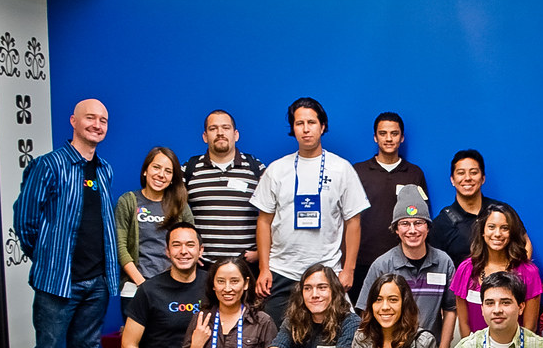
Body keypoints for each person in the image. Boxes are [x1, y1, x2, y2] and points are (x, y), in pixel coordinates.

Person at [14, 99, 118, 348]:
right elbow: (25, 221)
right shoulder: (49, 165)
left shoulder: (103, 169)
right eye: (90, 118)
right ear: (73, 121)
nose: (97, 124)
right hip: (58, 283)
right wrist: (49, 259)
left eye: (103, 120)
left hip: (96, 281)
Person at [250, 97, 370, 325]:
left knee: (334, 339)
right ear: (293, 129)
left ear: (322, 126)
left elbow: (353, 221)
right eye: (299, 123)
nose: (306, 129)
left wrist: (349, 270)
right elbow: (263, 221)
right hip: (281, 271)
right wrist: (264, 268)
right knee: (275, 338)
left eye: (311, 122)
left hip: (327, 271)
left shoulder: (341, 168)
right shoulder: (277, 169)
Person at [113, 147, 194, 348]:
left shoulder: (178, 203)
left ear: (174, 177)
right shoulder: (129, 201)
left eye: (168, 171)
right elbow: (119, 245)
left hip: (173, 289)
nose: (161, 174)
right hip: (136, 287)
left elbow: (190, 240)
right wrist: (143, 283)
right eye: (156, 168)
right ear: (146, 169)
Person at [356, 185, 456, 348]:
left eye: (418, 223)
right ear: (396, 229)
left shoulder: (443, 262)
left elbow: (451, 309)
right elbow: (366, 312)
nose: (412, 230)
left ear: (428, 227)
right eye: (405, 224)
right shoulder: (382, 265)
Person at [352, 112, 429, 297]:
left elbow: (423, 218)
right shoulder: (358, 172)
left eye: (394, 134)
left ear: (401, 138)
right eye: (383, 133)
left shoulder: (414, 173)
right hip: (363, 261)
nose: (388, 139)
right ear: (375, 137)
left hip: (404, 261)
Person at [182, 109, 266, 266]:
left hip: (245, 266)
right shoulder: (189, 169)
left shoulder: (256, 168)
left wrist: (260, 253)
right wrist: (189, 252)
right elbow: (172, 211)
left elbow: (273, 214)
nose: (220, 133)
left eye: (226, 128)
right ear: (205, 136)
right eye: (213, 128)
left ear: (236, 135)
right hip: (203, 267)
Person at [450, 203, 542, 334]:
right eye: (491, 227)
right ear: (482, 231)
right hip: (476, 345)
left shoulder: (528, 272)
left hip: (516, 346)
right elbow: (464, 324)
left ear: (512, 233)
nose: (497, 234)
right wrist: (472, 347)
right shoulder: (466, 269)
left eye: (505, 228)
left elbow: (530, 327)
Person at [429, 149, 531, 265]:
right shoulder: (441, 223)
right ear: (452, 179)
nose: (467, 178)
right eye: (461, 173)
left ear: (483, 178)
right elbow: (436, 264)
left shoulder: (502, 212)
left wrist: (515, 273)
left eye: (473, 172)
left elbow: (525, 243)